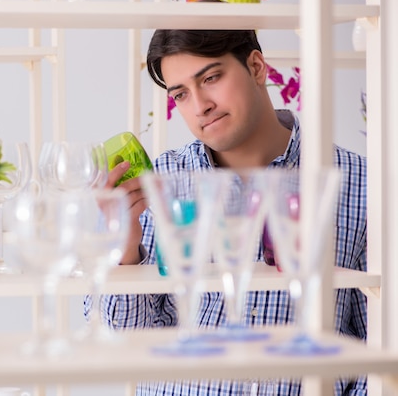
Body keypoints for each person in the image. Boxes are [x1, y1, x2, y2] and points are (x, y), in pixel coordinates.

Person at [86, 28, 367, 395]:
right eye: (181, 94)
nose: (200, 105)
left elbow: (375, 349)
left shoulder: (358, 182)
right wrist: (123, 250)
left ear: (256, 66)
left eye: (211, 78)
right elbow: (123, 343)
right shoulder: (161, 182)